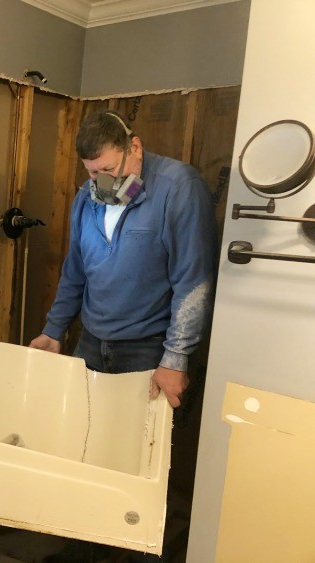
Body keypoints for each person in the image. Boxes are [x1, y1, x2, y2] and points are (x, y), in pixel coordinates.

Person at [30, 111, 217, 562]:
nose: (102, 182)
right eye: (92, 173)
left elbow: (194, 282)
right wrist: (55, 331)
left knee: (146, 466)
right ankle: (82, 552)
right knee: (85, 446)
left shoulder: (178, 188)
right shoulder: (87, 198)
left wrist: (174, 360)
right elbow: (75, 271)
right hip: (93, 342)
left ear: (135, 147)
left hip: (149, 349)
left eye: (110, 170)